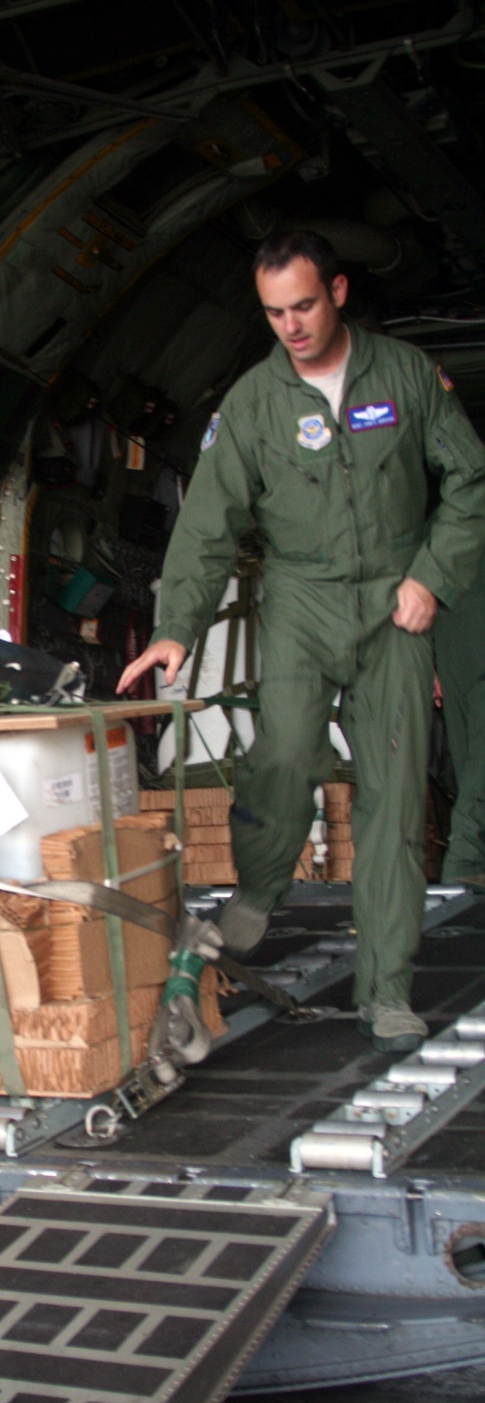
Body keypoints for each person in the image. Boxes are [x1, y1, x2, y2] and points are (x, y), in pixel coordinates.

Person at [118, 229, 485, 1052]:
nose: (291, 325)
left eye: (305, 305)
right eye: (275, 312)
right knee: (281, 757)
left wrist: (432, 577)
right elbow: (208, 522)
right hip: (302, 599)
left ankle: (386, 987)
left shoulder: (406, 377)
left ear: (340, 293)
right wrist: (178, 625)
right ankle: (259, 888)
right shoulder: (252, 404)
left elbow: (472, 480)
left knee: (393, 797)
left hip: (395, 602)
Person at [435, 552, 485, 886]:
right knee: (473, 768)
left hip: (450, 616)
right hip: (454, 618)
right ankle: (464, 872)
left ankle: (463, 872)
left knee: (471, 767)